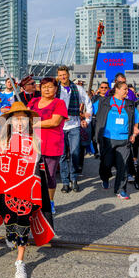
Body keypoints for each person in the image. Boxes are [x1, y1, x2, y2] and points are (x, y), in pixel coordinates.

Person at [0, 101, 55, 278]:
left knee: (23, 226)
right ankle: (10, 233)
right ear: (10, 122)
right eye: (16, 119)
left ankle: (20, 262)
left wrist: (35, 192)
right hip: (5, 190)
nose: (20, 123)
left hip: (25, 192)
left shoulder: (35, 141)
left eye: (24, 119)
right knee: (9, 222)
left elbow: (38, 171)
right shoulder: (2, 141)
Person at [93, 81, 139, 200]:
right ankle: (104, 178)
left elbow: (136, 120)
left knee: (123, 166)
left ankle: (120, 189)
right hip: (107, 139)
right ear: (117, 90)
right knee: (106, 163)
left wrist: (134, 133)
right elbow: (90, 111)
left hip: (125, 139)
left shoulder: (130, 104)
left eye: (127, 90)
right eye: (125, 89)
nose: (127, 91)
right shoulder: (104, 102)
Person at [28, 77, 68, 213]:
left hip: (51, 145)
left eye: (50, 86)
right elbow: (26, 116)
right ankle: (34, 201)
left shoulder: (59, 103)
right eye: (44, 86)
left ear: (56, 89)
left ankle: (49, 202)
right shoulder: (33, 101)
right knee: (32, 176)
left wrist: (35, 124)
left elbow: (54, 121)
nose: (46, 89)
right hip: (33, 145)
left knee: (49, 176)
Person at [56, 65, 92, 193]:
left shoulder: (77, 88)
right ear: (58, 76)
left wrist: (87, 120)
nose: (62, 77)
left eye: (64, 74)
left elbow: (88, 103)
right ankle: (65, 182)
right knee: (61, 156)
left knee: (75, 153)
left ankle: (74, 178)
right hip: (59, 126)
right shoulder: (55, 90)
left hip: (74, 126)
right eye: (60, 75)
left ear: (68, 75)